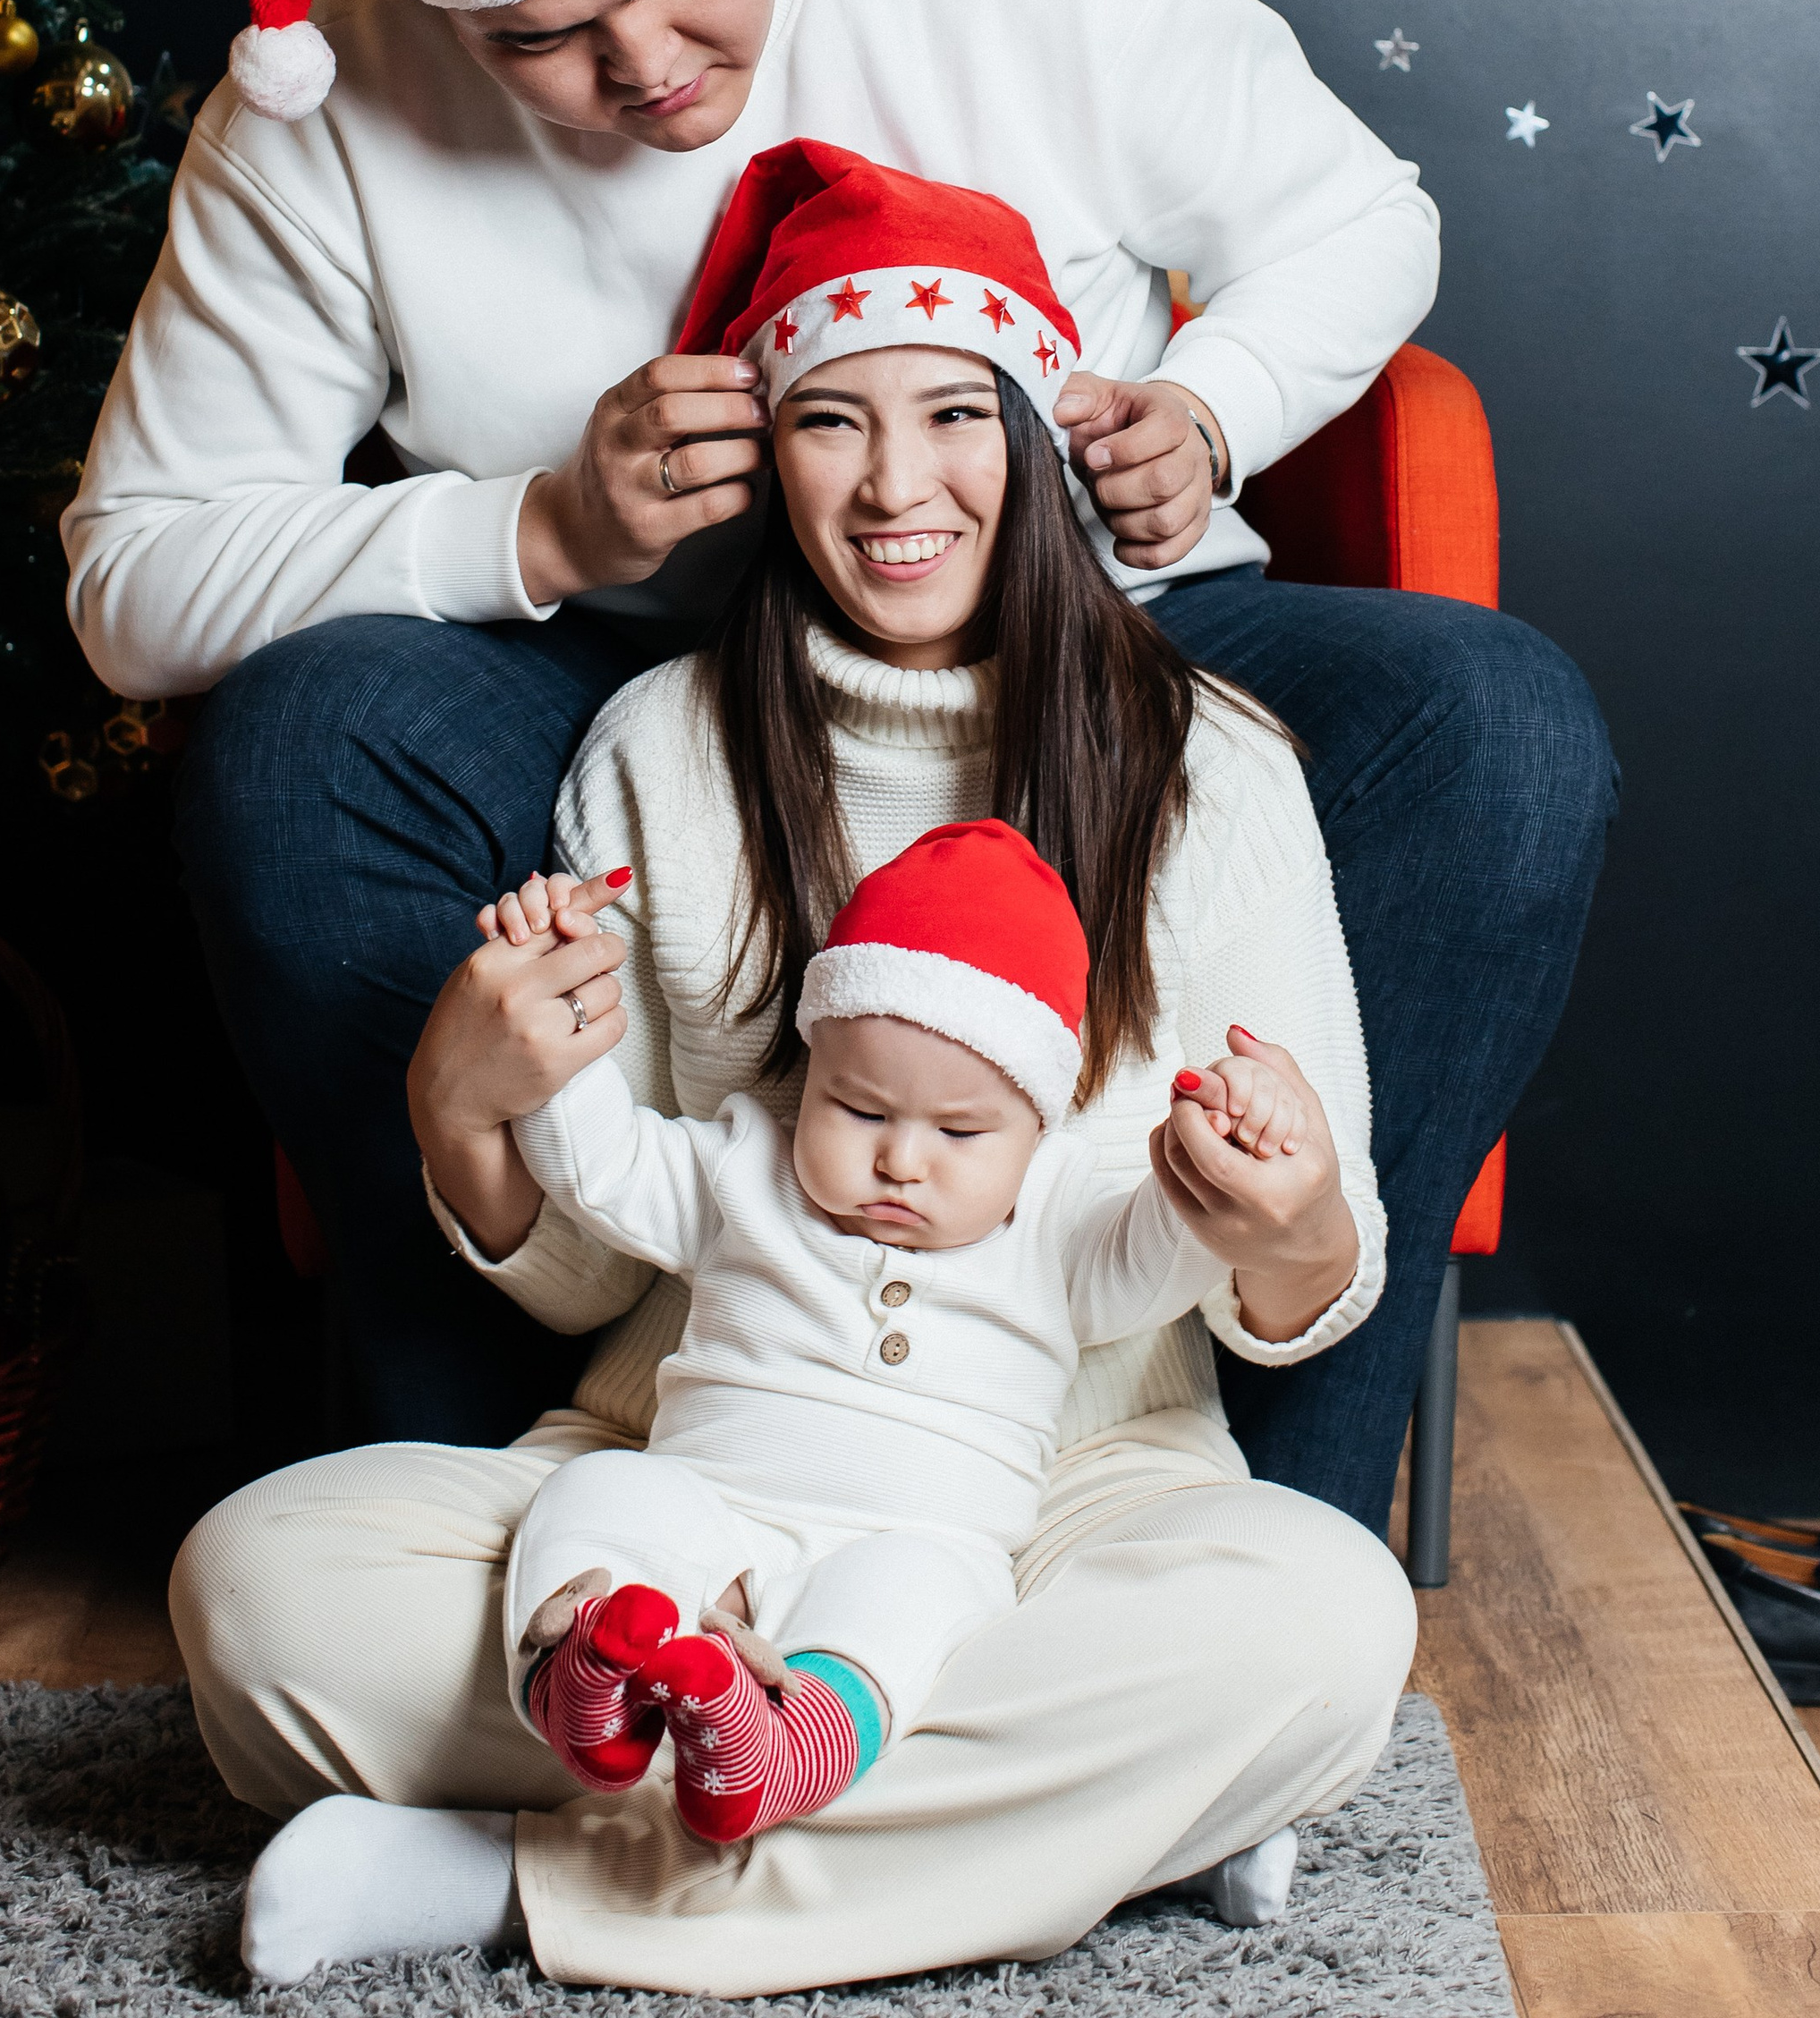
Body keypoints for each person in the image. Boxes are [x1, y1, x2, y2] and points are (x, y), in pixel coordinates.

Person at [67, 0, 1615, 1514]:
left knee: (1494, 722)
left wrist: (1214, 407)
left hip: (1093, 642)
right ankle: (480, 1498)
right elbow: (134, 575)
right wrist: (537, 518)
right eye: (536, 40)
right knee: (301, 749)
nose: (640, 67)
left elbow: (1361, 213)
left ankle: (1265, 1523)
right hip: (622, 679)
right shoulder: (322, 105)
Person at [174, 157, 1415, 1995]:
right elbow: (608, 1265)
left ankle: (494, 1881)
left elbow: (1300, 1290)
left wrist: (1292, 1218)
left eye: (947, 419)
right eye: (831, 420)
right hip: (684, 1454)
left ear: (1031, 435)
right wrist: (466, 1103)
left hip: (1070, 1489)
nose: (895, 487)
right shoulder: (659, 751)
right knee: (254, 1590)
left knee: (1321, 1627)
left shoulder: (1207, 765)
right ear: (772, 452)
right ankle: (1089, 1822)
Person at [497, 818, 1368, 1853]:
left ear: (1038, 1127)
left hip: (921, 1541)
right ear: (811, 1072)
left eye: (959, 1134)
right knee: (600, 1495)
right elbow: (596, 1160)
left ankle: (774, 1745)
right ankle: (585, 1675)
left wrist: (1236, 1132)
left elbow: (1175, 1243)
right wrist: (556, 999)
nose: (901, 1161)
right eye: (857, 1109)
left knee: (916, 1609)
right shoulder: (742, 1167)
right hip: (709, 1502)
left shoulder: (1059, 1221)